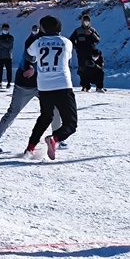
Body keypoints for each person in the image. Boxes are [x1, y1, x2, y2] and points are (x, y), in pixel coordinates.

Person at [0, 25, 63, 153]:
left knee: (55, 108)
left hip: (41, 85)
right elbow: (26, 60)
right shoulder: (33, 40)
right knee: (13, 112)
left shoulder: (53, 41)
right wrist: (31, 68)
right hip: (25, 84)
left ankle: (57, 139)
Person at [23, 15, 78, 160]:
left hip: (44, 86)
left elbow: (29, 55)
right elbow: (68, 59)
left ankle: (30, 147)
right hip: (62, 85)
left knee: (45, 117)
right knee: (71, 123)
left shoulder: (37, 43)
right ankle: (55, 138)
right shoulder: (66, 42)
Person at [69, 14, 101, 91]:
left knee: (93, 67)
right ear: (82, 22)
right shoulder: (78, 31)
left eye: (88, 21)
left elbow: (97, 40)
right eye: (85, 21)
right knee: (82, 68)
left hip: (91, 52)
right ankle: (85, 85)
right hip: (81, 52)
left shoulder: (92, 30)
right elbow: (71, 40)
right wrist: (76, 47)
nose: (86, 22)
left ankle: (97, 85)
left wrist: (92, 34)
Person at [0, 23, 14, 88]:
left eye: (6, 29)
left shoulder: (10, 37)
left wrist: (1, 43)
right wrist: (4, 44)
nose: (5, 30)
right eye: (4, 29)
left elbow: (9, 45)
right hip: (0, 56)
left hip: (8, 56)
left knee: (9, 70)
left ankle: (9, 83)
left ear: (9, 29)